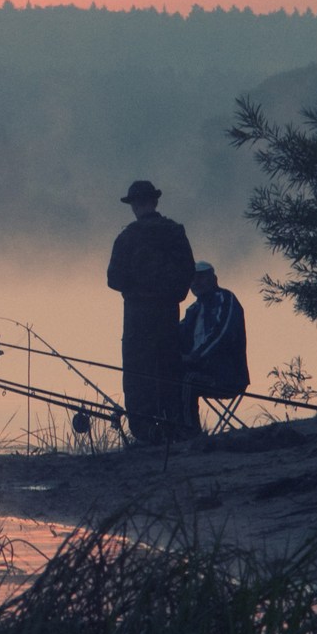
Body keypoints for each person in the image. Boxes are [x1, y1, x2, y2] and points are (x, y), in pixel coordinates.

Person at [106, 180, 196, 442]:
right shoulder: (175, 232)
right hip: (168, 314)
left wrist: (137, 288)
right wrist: (171, 294)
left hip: (136, 318)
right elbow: (187, 271)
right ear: (155, 202)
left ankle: (145, 433)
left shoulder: (127, 238)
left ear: (134, 205)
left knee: (137, 374)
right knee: (169, 369)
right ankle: (174, 428)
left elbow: (113, 279)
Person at [179, 261, 250, 433]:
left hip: (228, 376)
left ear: (214, 279)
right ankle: (171, 433)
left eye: (201, 277)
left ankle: (190, 434)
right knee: (168, 379)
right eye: (192, 279)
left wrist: (195, 357)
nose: (196, 282)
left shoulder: (226, 298)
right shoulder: (193, 310)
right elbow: (177, 337)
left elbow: (222, 334)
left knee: (187, 381)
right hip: (200, 372)